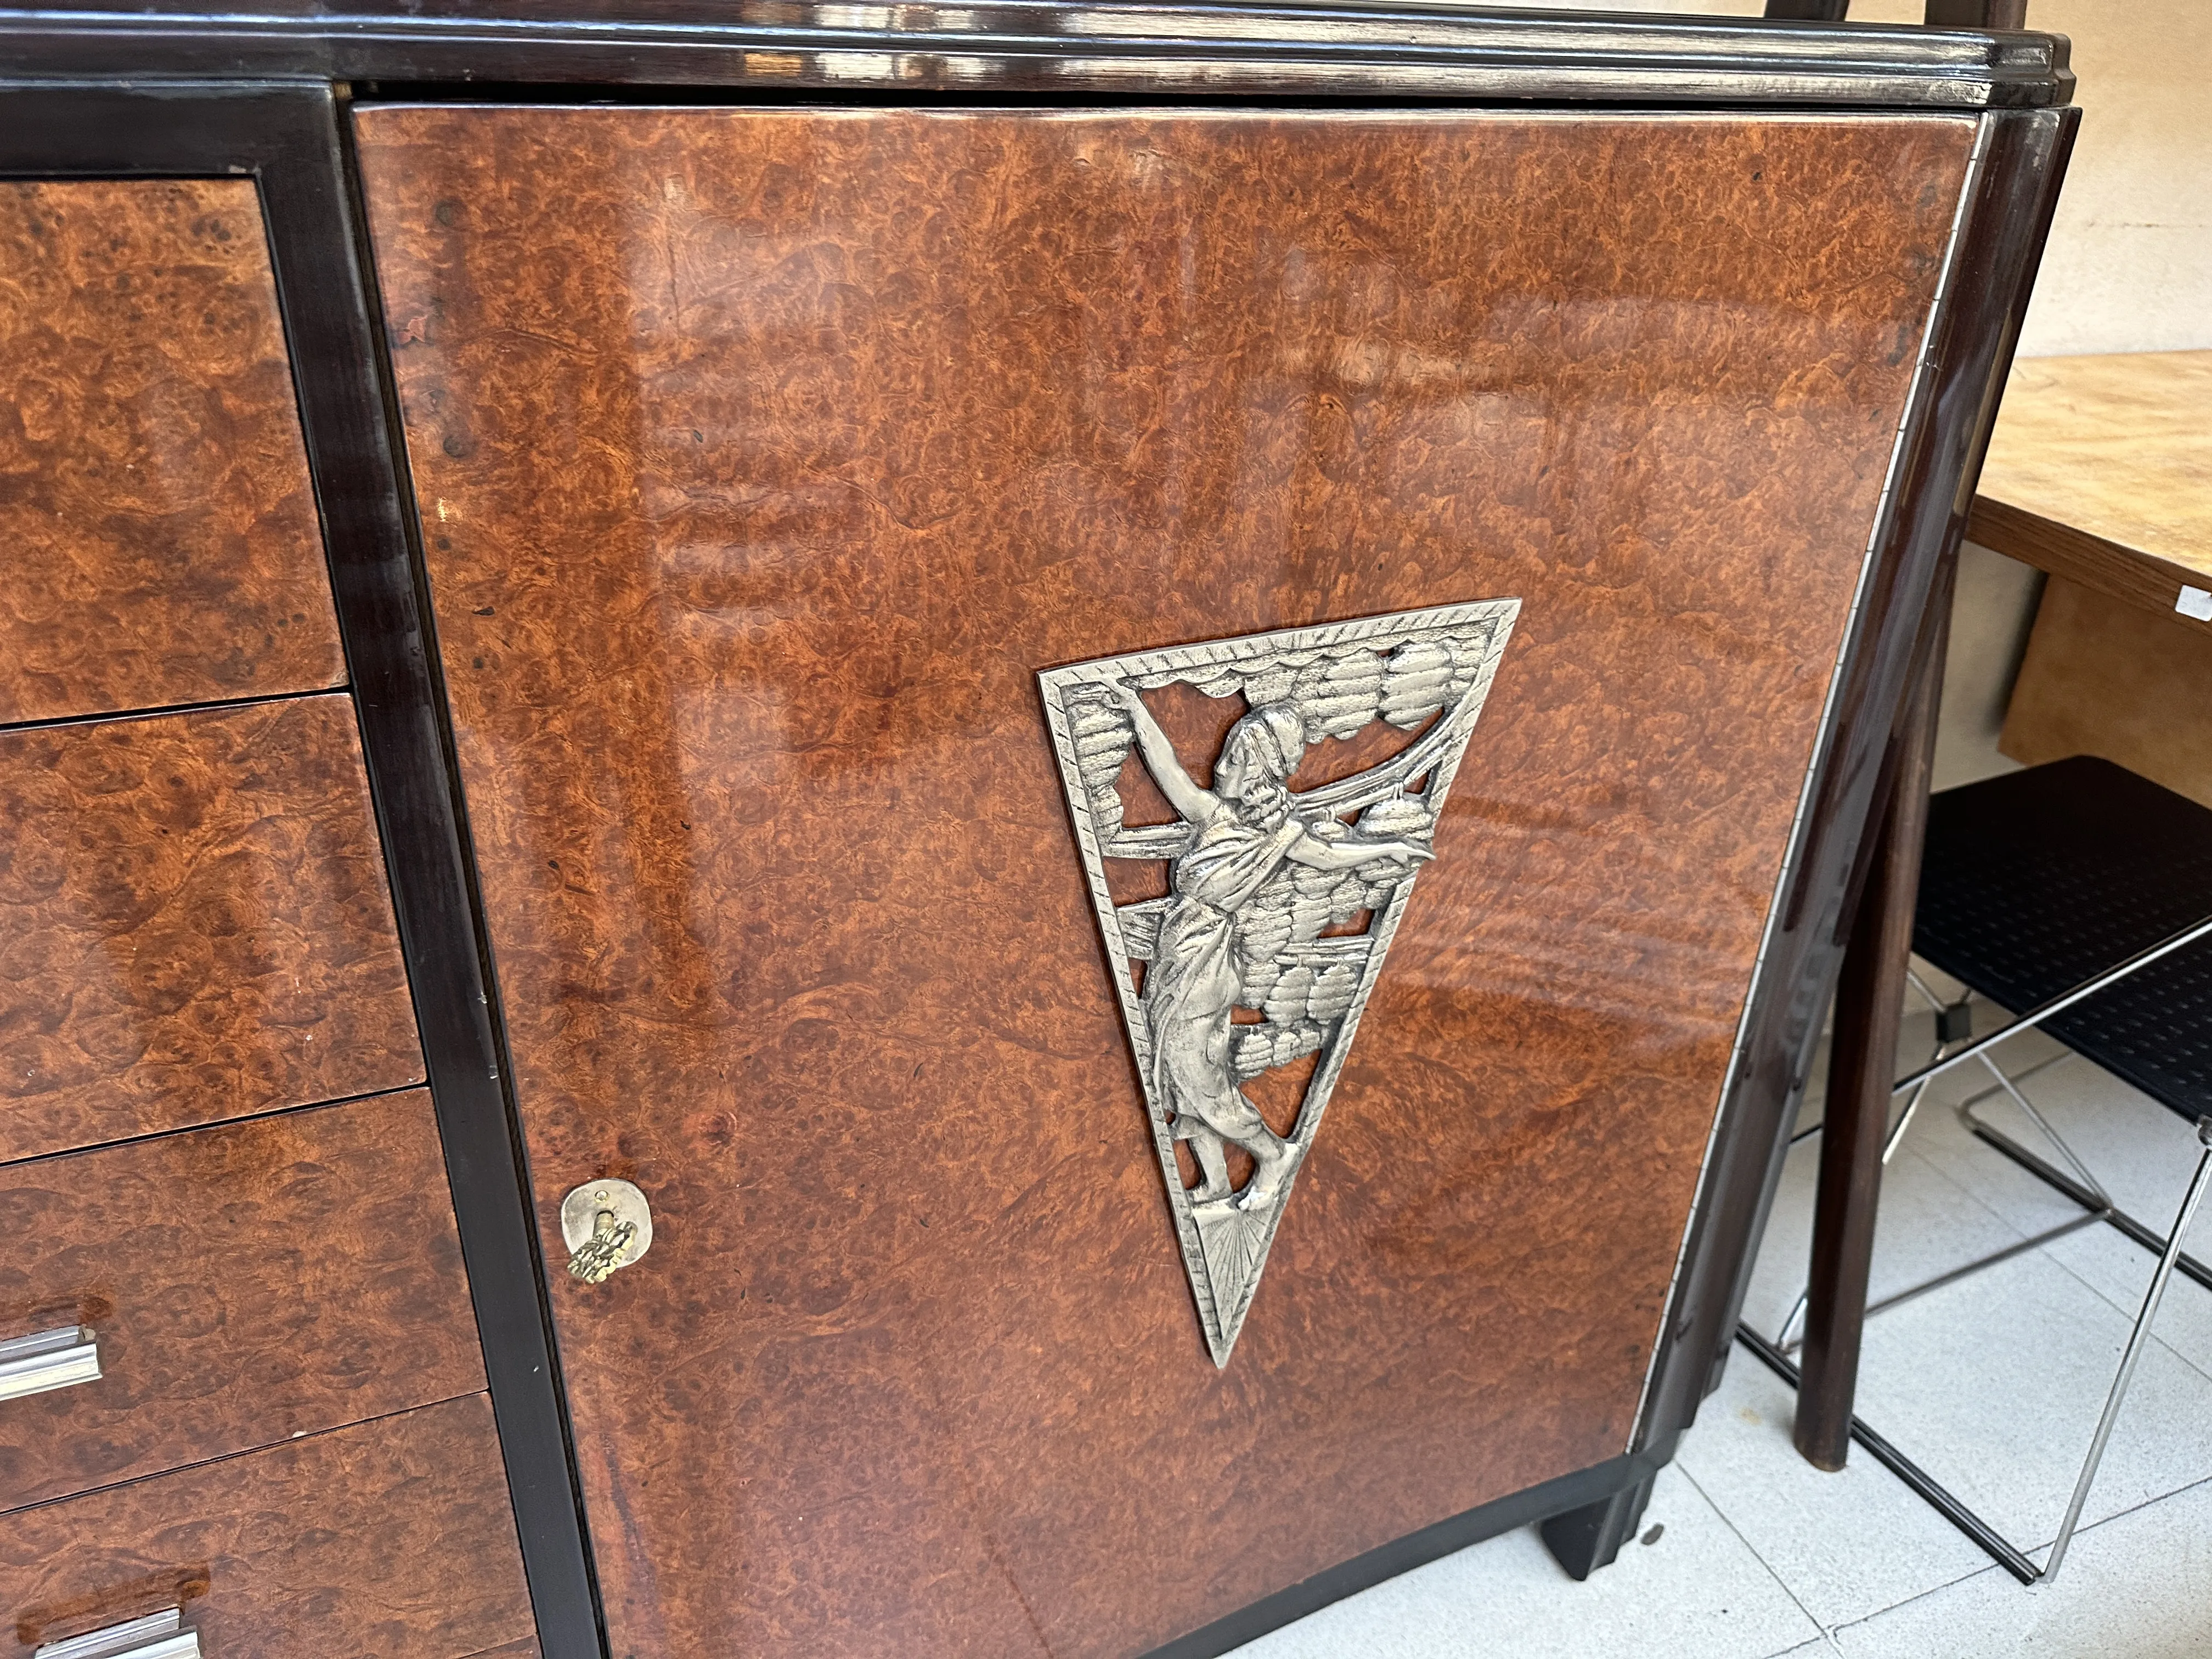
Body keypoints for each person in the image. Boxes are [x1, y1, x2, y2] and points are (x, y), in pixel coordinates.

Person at [1114, 681, 1432, 1213]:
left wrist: (1391, 844)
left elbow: (1334, 855)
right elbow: (1164, 763)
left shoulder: (1281, 836)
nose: (1219, 766)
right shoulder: (1213, 816)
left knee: (1199, 1073)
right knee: (1178, 1070)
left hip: (1208, 964)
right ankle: (1215, 1181)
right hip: (1179, 954)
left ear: (1261, 772)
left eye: (1236, 759)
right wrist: (1133, 707)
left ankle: (1272, 1153)